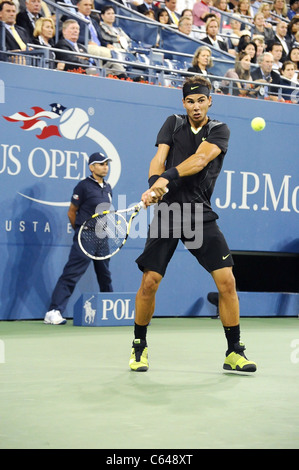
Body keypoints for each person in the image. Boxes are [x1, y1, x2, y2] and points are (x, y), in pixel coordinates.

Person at [128, 75, 257, 373]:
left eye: (201, 100)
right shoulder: (172, 123)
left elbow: (199, 161)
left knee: (227, 281)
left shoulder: (218, 130)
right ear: (183, 102)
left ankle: (234, 351)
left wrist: (165, 180)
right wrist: (153, 185)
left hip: (199, 214)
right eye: (190, 101)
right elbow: (158, 159)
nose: (196, 106)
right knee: (150, 282)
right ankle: (139, 347)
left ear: (210, 100)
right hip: (169, 214)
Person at [44, 152, 113, 325]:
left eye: (106, 164)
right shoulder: (83, 186)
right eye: (101, 164)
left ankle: (110, 309)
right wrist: (81, 231)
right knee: (72, 273)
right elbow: (71, 212)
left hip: (102, 236)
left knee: (105, 276)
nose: (105, 166)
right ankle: (54, 311)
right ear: (92, 167)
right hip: (86, 235)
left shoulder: (108, 187)